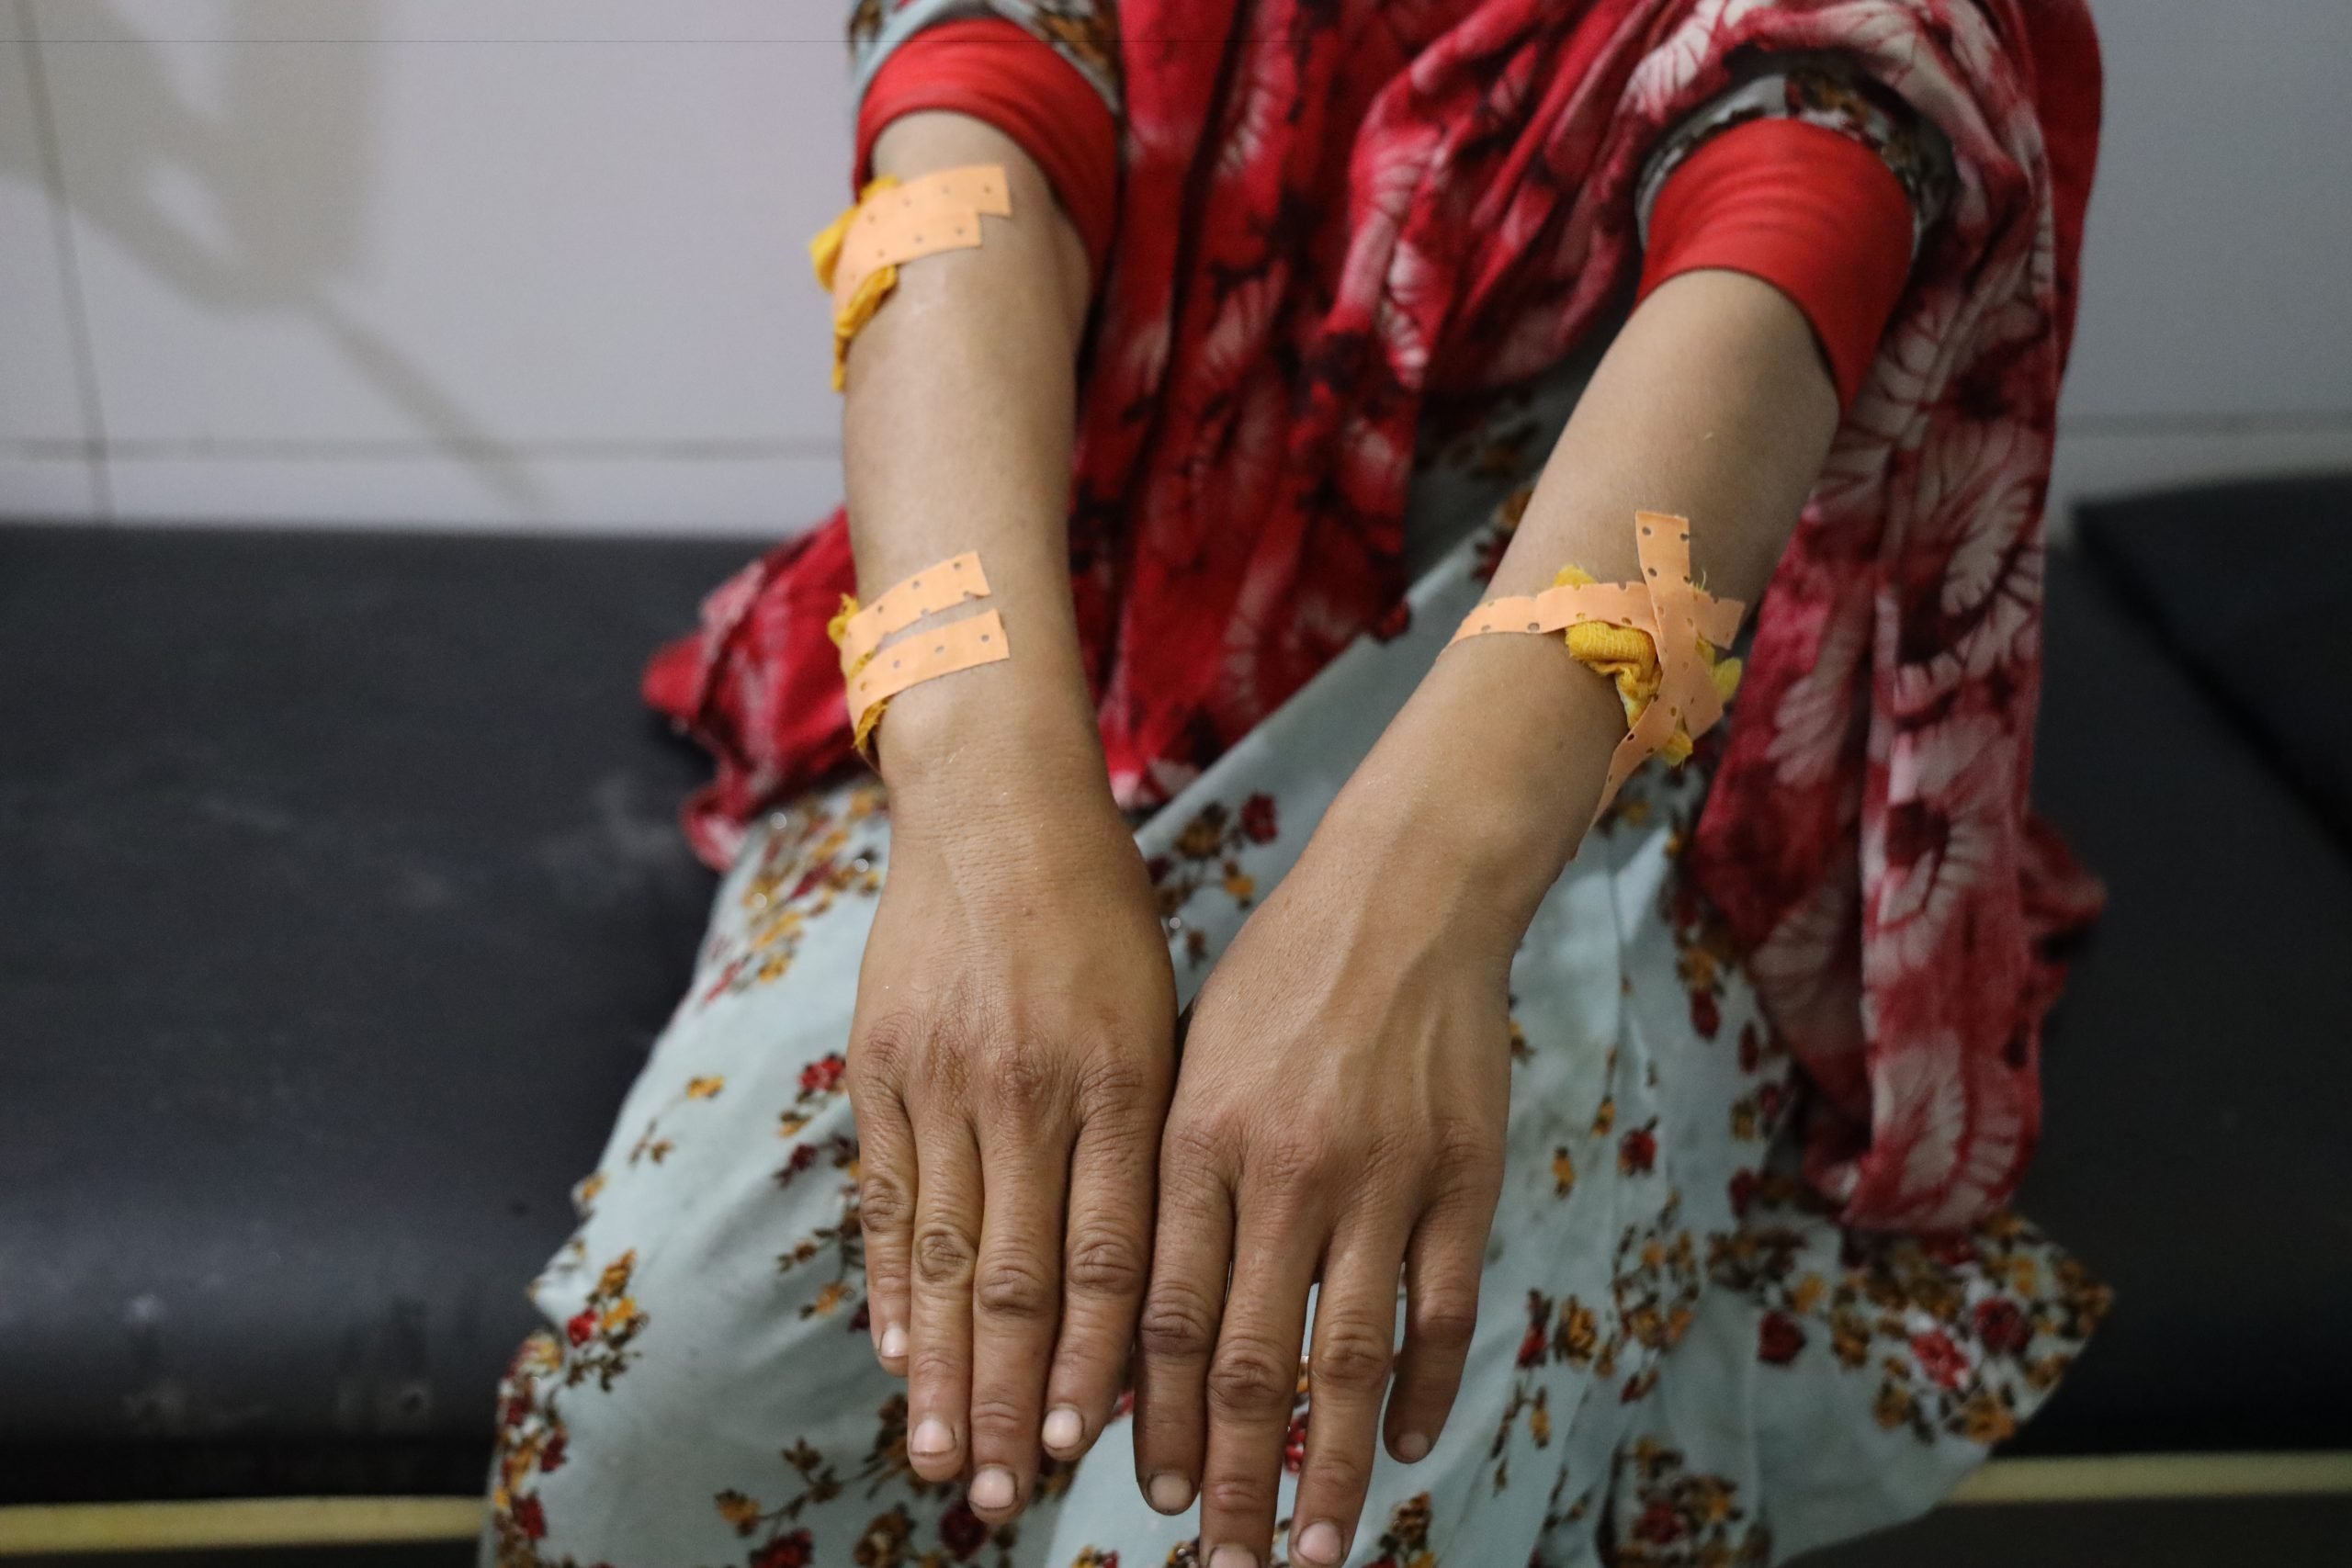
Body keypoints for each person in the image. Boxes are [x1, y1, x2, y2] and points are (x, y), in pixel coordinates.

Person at [486, 3, 2111, 1563]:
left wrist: (1398, 933)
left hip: (1591, 758)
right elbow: (969, 162)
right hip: (1077, 639)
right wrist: (992, 820)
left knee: (1286, 1473)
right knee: (666, 1411)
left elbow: (1784, 240)